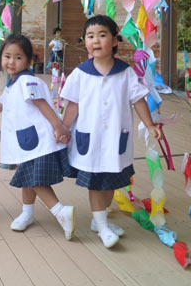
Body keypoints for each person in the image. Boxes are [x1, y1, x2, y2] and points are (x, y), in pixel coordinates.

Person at [61, 15, 161, 249]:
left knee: (109, 181)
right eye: (90, 36)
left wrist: (150, 125)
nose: (96, 40)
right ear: (85, 41)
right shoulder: (80, 73)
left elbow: (139, 100)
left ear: (115, 40)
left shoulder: (126, 73)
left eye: (102, 35)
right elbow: (73, 104)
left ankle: (99, 221)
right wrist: (63, 128)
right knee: (96, 182)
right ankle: (102, 227)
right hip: (89, 139)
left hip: (116, 139)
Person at [0, 34, 76, 240]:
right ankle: (27, 213)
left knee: (33, 179)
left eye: (18, 57)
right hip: (28, 142)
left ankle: (60, 211)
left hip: (39, 141)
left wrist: (59, 126)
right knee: (28, 176)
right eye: (7, 56)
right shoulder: (12, 84)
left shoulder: (27, 80)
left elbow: (41, 103)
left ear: (29, 60)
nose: (11, 62)